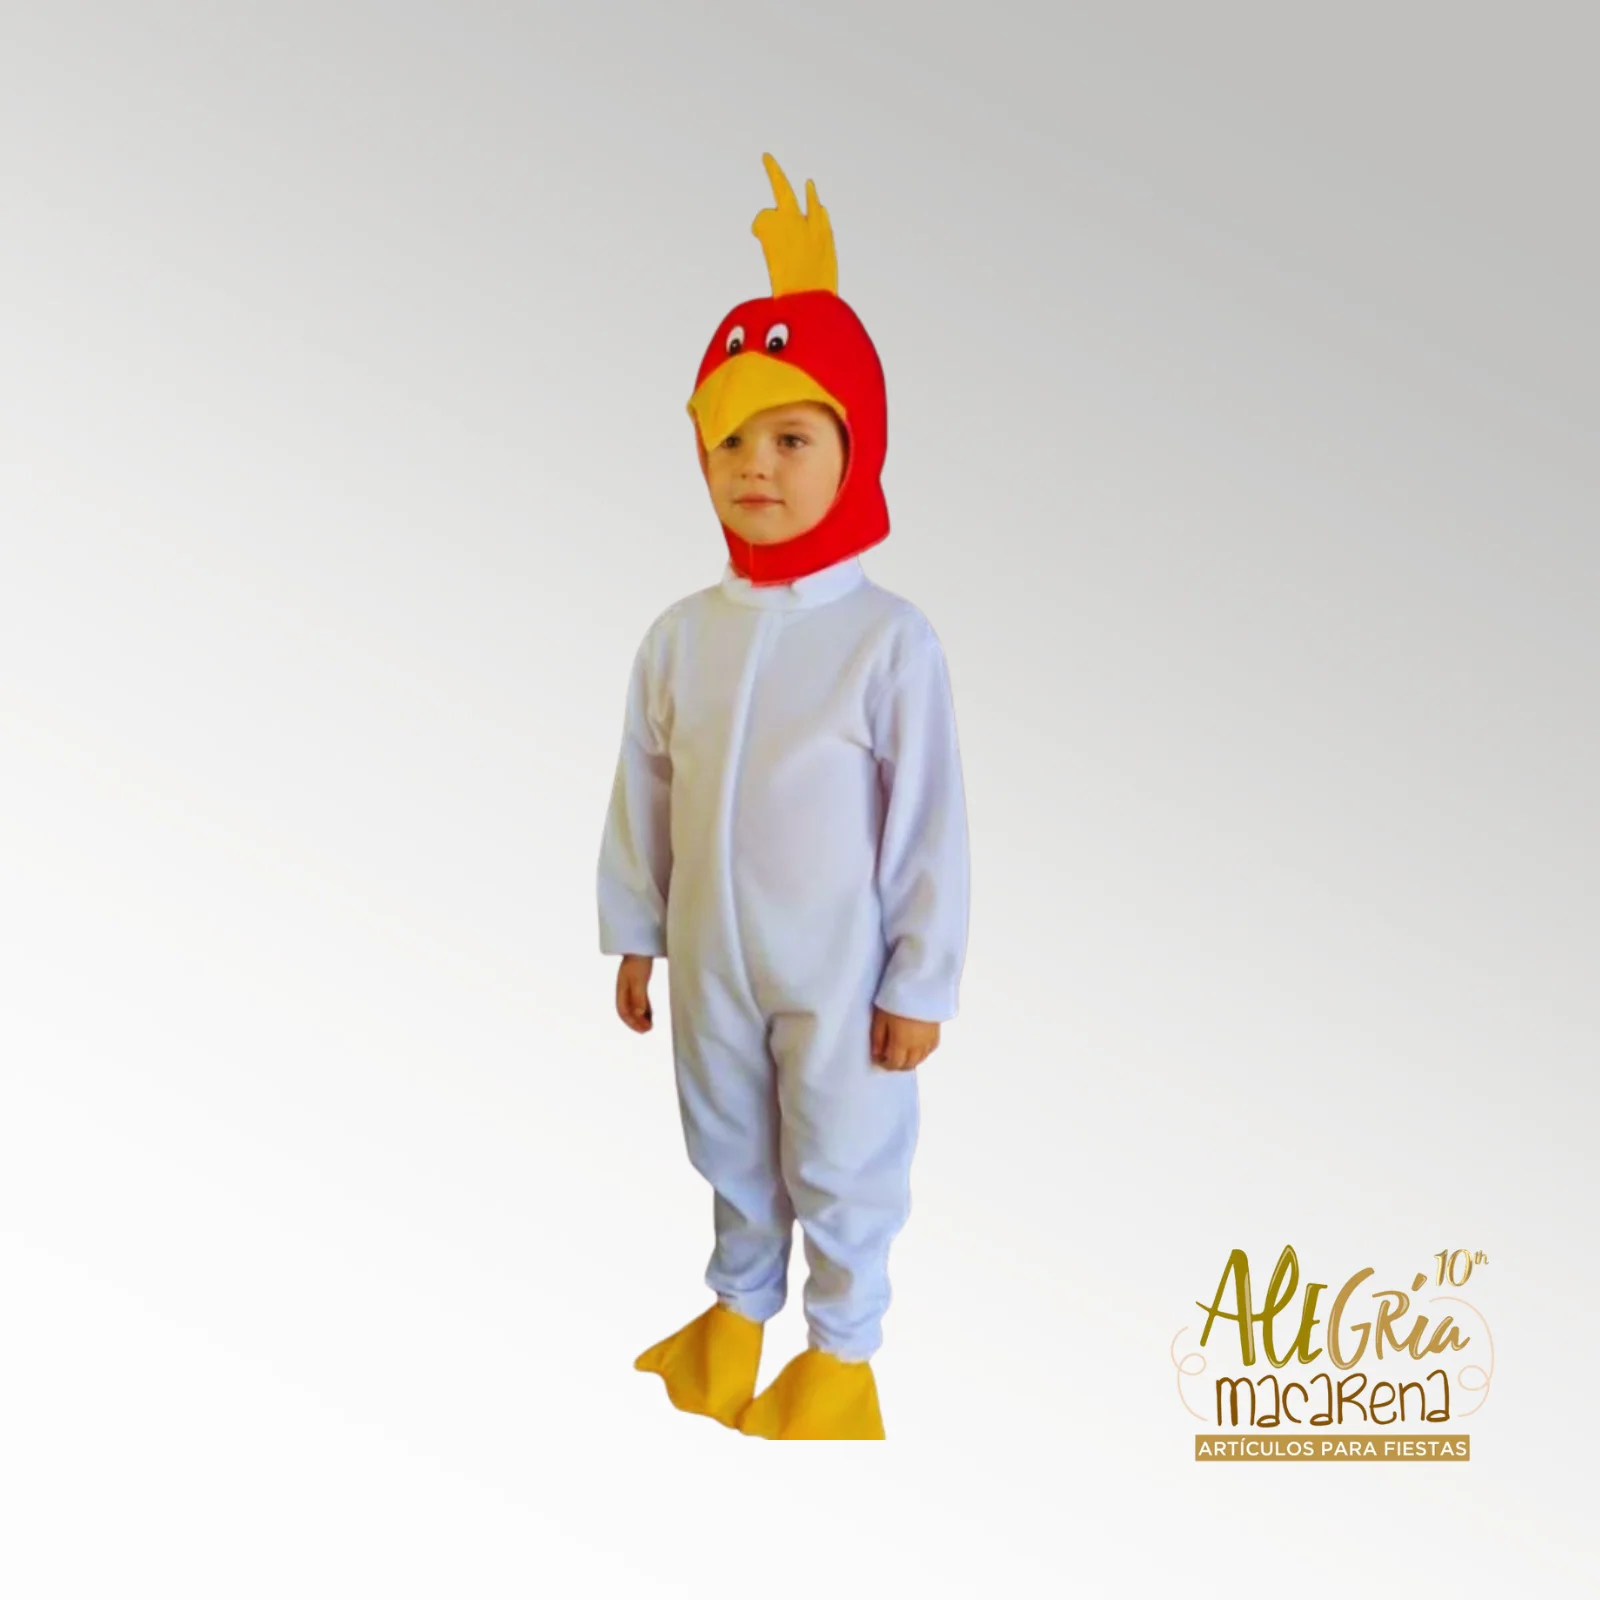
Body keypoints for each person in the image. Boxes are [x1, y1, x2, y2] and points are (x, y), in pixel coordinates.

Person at [596, 154, 969, 1440]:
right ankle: (734, 1312)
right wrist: (637, 929)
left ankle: (842, 1350)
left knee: (841, 1144)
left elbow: (927, 823)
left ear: (854, 449)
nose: (754, 467)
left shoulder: (886, 640)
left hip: (839, 969)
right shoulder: (680, 636)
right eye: (729, 440)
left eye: (791, 438)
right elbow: (644, 785)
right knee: (724, 1130)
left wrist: (918, 981)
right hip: (710, 957)